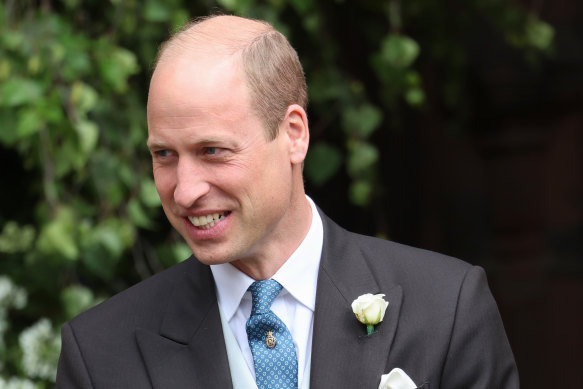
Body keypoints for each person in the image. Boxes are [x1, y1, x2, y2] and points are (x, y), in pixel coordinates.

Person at [56, 15, 519, 389]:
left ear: (293, 134)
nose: (184, 190)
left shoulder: (446, 307)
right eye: (164, 155)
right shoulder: (100, 352)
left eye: (212, 151)